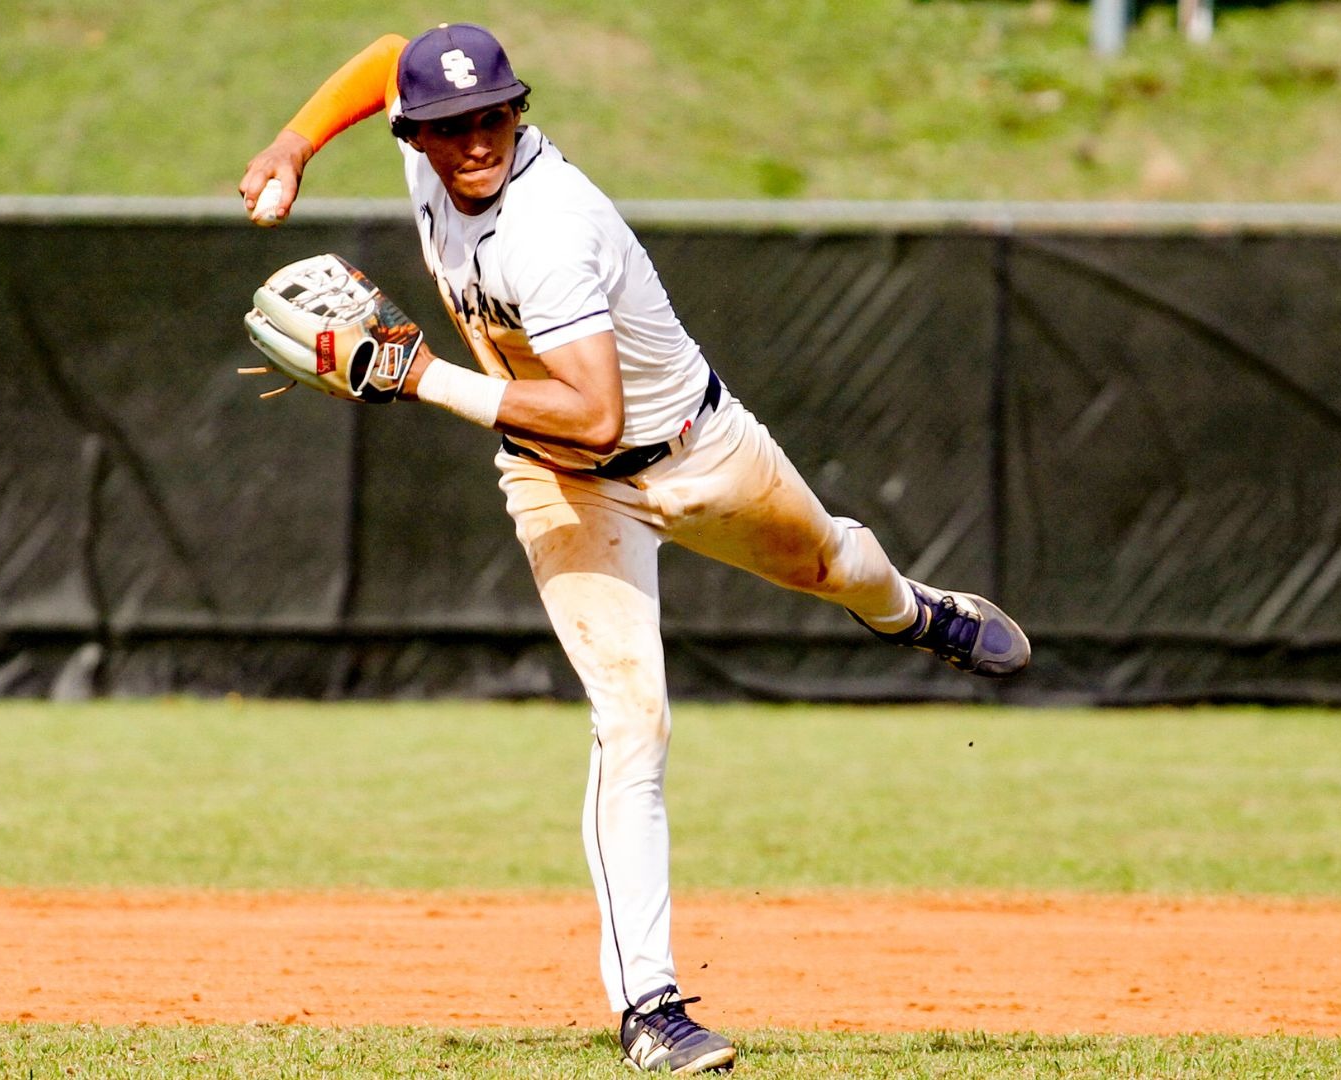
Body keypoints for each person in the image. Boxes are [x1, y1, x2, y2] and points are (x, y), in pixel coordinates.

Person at [238, 23, 1029, 1074]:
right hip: (554, 477)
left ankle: (913, 616)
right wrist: (296, 142)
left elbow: (599, 415)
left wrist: (416, 374)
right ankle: (650, 1008)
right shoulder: (423, 128)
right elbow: (391, 53)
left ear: (518, 110)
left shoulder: (549, 226)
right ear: (414, 134)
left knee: (840, 564)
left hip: (696, 455)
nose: (475, 137)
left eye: (493, 115)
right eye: (448, 123)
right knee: (633, 723)